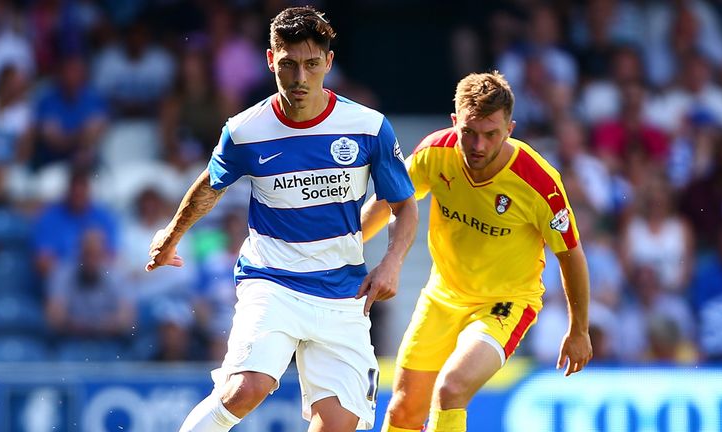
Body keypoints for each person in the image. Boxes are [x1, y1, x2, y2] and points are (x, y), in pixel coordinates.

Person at [146, 6, 418, 432]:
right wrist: (172, 234)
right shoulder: (245, 129)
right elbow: (210, 185)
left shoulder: (368, 127)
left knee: (339, 424)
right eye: (288, 65)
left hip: (342, 290)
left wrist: (393, 261)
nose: (300, 79)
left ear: (328, 63)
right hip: (272, 280)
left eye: (311, 65)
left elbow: (403, 205)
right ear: (271, 60)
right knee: (246, 388)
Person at [361, 71, 592, 432]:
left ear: (510, 129)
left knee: (451, 389)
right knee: (403, 411)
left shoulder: (539, 183)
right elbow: (390, 201)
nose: (478, 145)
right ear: (455, 122)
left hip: (505, 304)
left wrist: (579, 330)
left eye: (491, 134)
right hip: (442, 297)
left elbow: (571, 255)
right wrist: (343, 244)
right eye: (469, 132)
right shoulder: (434, 153)